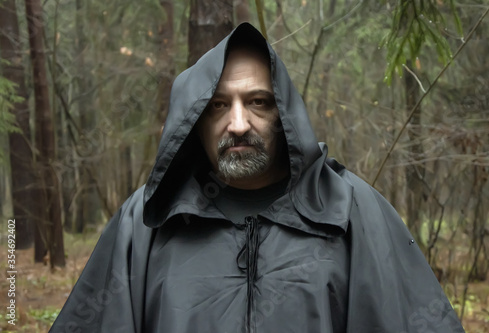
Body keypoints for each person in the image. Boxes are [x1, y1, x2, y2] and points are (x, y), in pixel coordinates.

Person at [50, 23, 464, 333]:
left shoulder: (352, 211)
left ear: (284, 114)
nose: (237, 123)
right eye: (217, 105)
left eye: (258, 102)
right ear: (195, 118)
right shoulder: (144, 224)